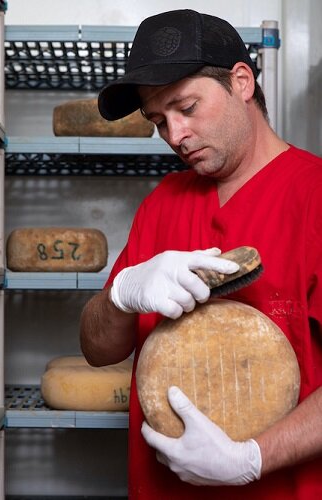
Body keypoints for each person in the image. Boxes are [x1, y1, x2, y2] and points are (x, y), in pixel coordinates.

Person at [80, 9, 322, 500]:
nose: (174, 135)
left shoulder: (313, 196)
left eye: (186, 107)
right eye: (158, 121)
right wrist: (122, 295)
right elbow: (97, 348)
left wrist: (253, 459)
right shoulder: (161, 203)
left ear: (241, 82)